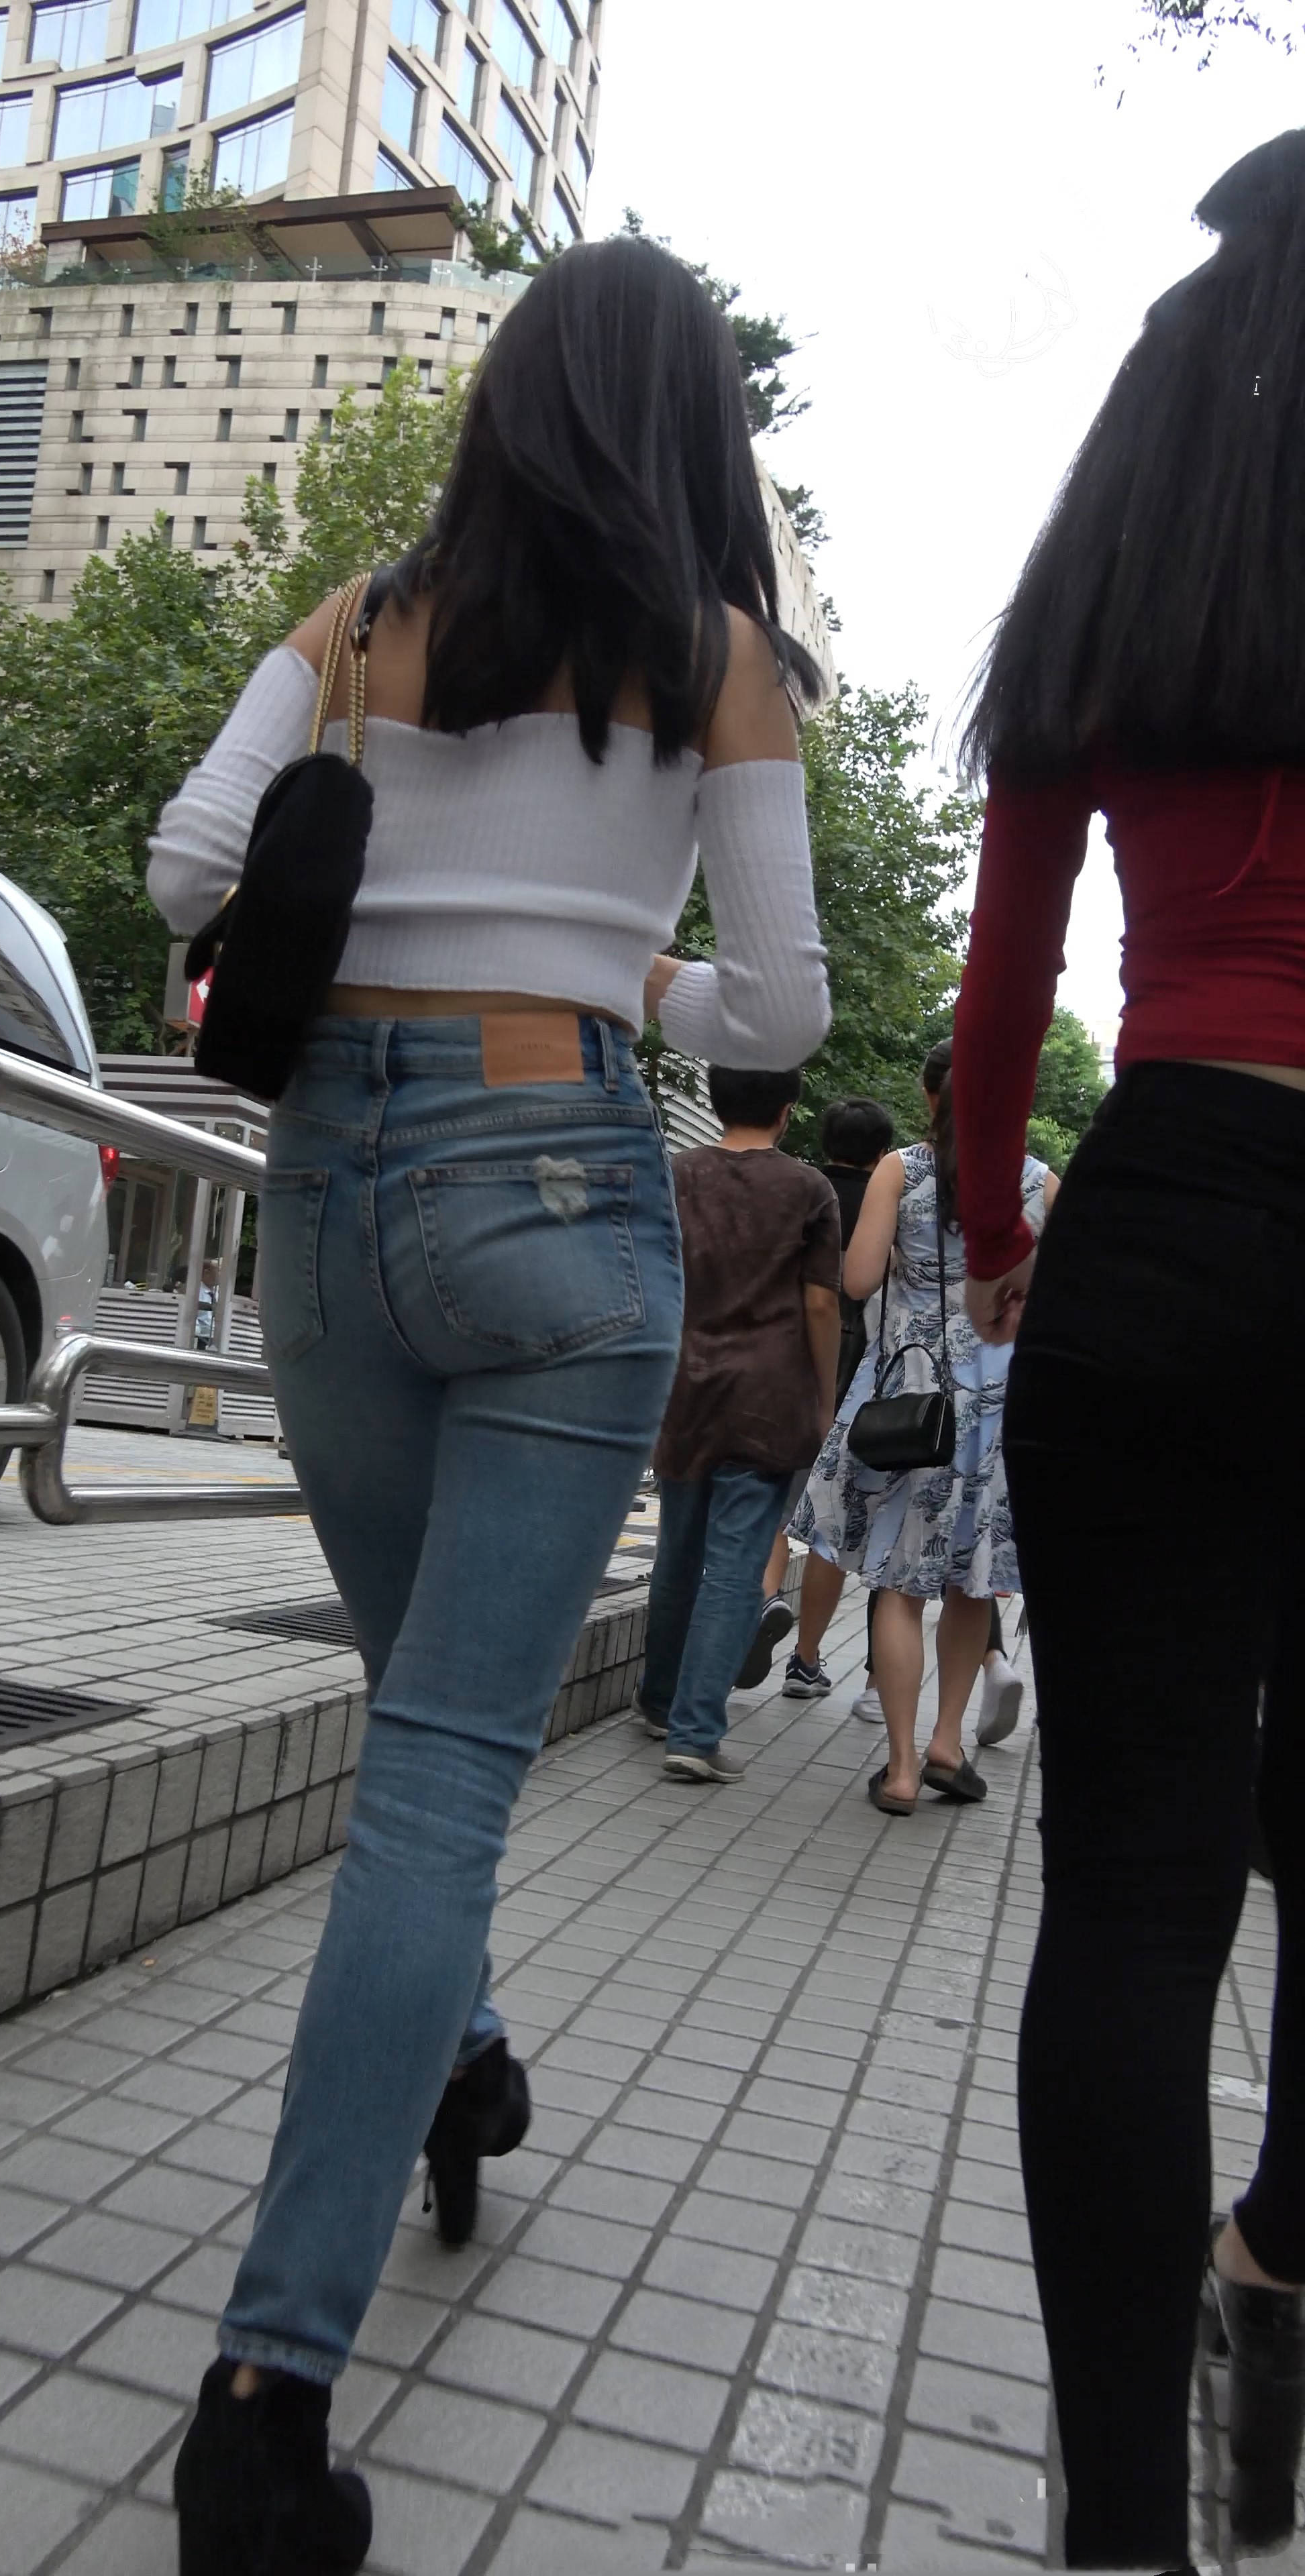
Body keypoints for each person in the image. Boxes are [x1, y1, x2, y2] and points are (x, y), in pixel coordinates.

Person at [145, 233, 831, 2576]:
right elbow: (775, 1018)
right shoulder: (719, 660)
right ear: (694, 432)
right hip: (557, 1181)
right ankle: (263, 2404)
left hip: (333, 1192)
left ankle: (458, 2061)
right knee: (442, 1776)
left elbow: (187, 866)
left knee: (411, 1731)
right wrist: (625, 956)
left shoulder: (361, 623)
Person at [952, 131, 1305, 2572]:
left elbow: (1004, 990)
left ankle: (1119, 2546)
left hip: (1163, 1215)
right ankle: (1277, 2254)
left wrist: (995, 1231)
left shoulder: (1128, 557)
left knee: (1137, 1896)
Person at [794, 1038, 1055, 1815]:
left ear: (929, 1095)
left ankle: (903, 1769)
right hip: (998, 1405)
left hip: (911, 1402)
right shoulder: (1040, 1183)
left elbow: (857, 1279)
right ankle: (948, 1744)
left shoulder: (899, 1171)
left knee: (899, 1586)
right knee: (973, 1583)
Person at [633, 1063, 841, 1782]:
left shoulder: (675, 1175)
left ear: (717, 1100)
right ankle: (695, 1733)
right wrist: (823, 1396)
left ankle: (658, 1703)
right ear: (787, 1110)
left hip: (686, 1388)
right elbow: (821, 1304)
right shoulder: (808, 1189)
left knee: (677, 1554)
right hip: (767, 1396)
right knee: (734, 1569)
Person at [768, 1094, 895, 1703]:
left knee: (770, 1495)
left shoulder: (798, 1189)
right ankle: (812, 1660)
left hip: (782, 1358)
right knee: (835, 1522)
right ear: (881, 1151)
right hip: (863, 1374)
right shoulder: (888, 1201)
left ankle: (765, 1601)